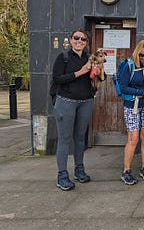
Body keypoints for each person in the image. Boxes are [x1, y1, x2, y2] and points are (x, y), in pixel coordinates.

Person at [52, 29, 104, 191]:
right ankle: (62, 175)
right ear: (71, 39)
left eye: (83, 39)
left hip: (86, 101)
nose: (79, 41)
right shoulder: (64, 57)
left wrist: (99, 69)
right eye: (76, 38)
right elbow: (57, 78)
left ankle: (79, 170)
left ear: (86, 43)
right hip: (66, 101)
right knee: (65, 138)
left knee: (80, 137)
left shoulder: (90, 58)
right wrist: (80, 72)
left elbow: (101, 77)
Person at [120, 40, 144, 185]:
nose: (143, 58)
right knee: (133, 138)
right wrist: (140, 91)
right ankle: (126, 170)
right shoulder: (128, 66)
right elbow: (123, 87)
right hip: (132, 106)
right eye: (141, 55)